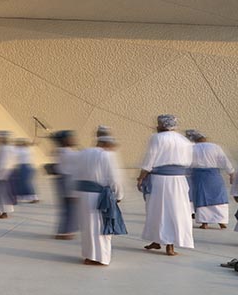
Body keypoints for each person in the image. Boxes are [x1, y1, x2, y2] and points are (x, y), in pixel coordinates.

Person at [137, 114, 194, 256]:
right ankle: (159, 241)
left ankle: (168, 244)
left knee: (158, 210)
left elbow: (150, 158)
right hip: (179, 180)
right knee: (176, 211)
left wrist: (141, 177)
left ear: (161, 125)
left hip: (160, 180)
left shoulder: (156, 138)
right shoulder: (185, 140)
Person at [75, 134, 125, 266]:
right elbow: (114, 178)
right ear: (107, 145)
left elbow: (75, 174)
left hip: (83, 194)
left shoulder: (83, 153)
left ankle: (89, 255)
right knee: (101, 226)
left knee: (87, 226)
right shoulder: (106, 155)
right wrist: (119, 196)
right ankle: (101, 258)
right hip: (99, 196)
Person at [190, 131, 233, 229]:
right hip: (214, 175)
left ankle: (204, 222)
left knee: (201, 197)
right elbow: (224, 160)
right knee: (218, 197)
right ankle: (221, 221)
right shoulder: (215, 147)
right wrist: (231, 173)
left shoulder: (192, 148)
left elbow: (188, 162)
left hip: (198, 176)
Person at [50, 131, 78, 239]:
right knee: (70, 207)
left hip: (62, 180)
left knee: (66, 207)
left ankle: (63, 231)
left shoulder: (60, 151)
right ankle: (66, 232)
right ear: (64, 140)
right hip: (68, 181)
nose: (73, 139)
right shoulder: (68, 153)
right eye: (70, 138)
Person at [11, 138, 38, 203]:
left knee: (24, 183)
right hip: (28, 166)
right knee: (22, 182)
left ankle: (32, 197)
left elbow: (12, 152)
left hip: (23, 166)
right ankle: (21, 197)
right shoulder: (27, 149)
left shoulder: (22, 150)